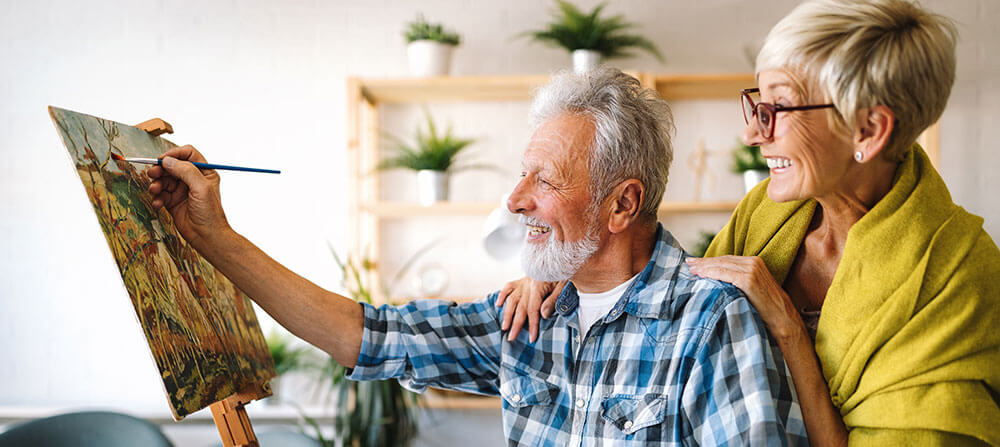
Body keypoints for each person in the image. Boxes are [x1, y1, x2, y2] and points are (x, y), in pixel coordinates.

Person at [146, 67, 807, 445]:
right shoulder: (530, 314)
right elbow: (366, 335)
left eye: (544, 179)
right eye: (523, 174)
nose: (515, 198)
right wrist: (214, 238)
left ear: (621, 205)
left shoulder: (711, 323)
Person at [500, 0, 1000, 445]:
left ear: (868, 129)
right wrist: (558, 263)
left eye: (778, 107)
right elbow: (675, 300)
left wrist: (788, 329)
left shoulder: (958, 276)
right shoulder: (768, 210)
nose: (752, 132)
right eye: (756, 103)